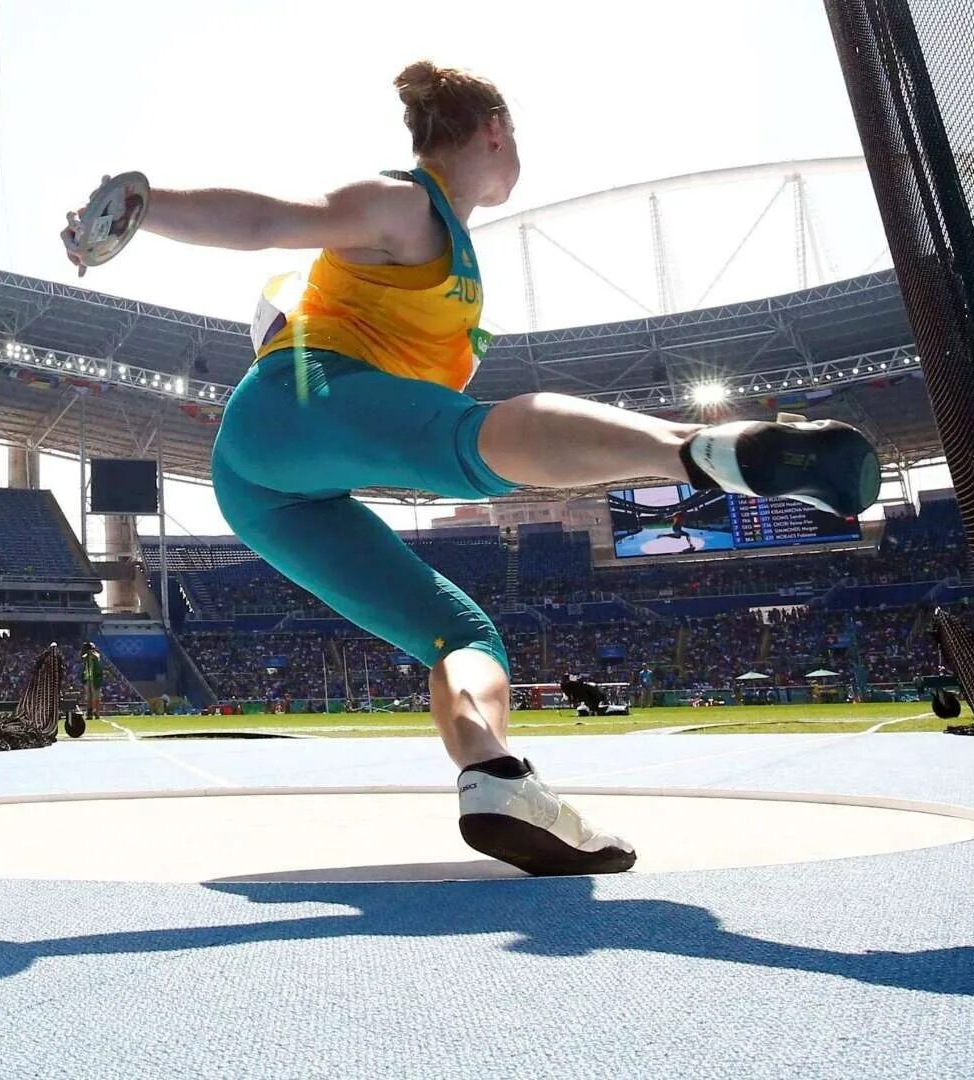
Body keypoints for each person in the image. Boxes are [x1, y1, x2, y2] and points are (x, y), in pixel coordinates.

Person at [62, 61, 879, 876]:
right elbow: (271, 220)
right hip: (301, 401)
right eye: (513, 136)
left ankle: (493, 775)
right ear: (494, 132)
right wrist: (145, 204)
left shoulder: (441, 252)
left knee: (462, 634)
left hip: (270, 486)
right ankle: (702, 451)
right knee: (470, 443)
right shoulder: (404, 203)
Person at [78, 641, 104, 719]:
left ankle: (96, 712)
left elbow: (96, 658)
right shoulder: (86, 656)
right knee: (88, 697)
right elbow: (81, 658)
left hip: (95, 678)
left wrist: (90, 652)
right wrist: (83, 651)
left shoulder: (96, 654)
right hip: (88, 678)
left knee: (96, 697)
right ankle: (89, 712)